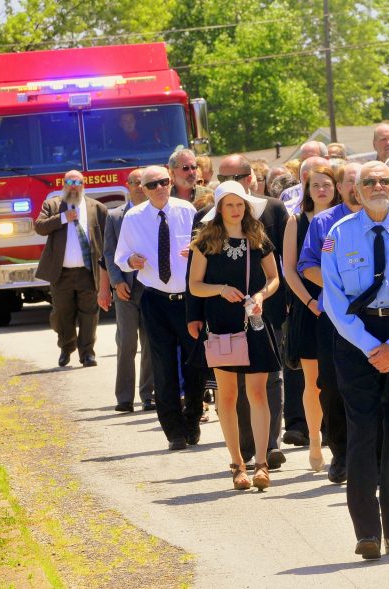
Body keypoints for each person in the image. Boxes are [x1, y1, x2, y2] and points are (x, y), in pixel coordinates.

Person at [321, 160, 389, 560]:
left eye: (383, 180)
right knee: (363, 434)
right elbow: (332, 300)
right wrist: (370, 346)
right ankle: (368, 532)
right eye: (367, 181)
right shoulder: (338, 235)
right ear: (356, 190)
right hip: (357, 339)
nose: (376, 186)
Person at [188, 154, 290, 469]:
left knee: (258, 392)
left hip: (254, 321)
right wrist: (219, 289)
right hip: (221, 323)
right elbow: (194, 285)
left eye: (240, 204)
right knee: (228, 396)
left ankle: (261, 462)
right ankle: (237, 463)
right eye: (229, 205)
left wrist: (261, 295)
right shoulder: (205, 241)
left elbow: (275, 278)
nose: (235, 209)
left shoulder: (258, 238)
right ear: (219, 209)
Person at [115, 165, 206, 451]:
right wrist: (132, 262)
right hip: (155, 299)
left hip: (188, 299)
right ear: (142, 189)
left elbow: (203, 247)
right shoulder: (133, 217)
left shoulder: (187, 210)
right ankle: (173, 431)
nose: (160, 188)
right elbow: (121, 257)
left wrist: (195, 250)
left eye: (164, 182)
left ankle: (192, 419)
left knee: (195, 365)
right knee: (163, 366)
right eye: (152, 185)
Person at [295, 161, 364, 483]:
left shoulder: (386, 220)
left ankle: (372, 453)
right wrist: (343, 287)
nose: (354, 187)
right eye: (348, 181)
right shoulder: (323, 222)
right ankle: (341, 455)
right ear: (340, 188)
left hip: (378, 316)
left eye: (359, 180)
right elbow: (306, 265)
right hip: (334, 316)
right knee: (333, 387)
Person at [284, 164, 343, 472]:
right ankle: (316, 442)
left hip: (342, 309)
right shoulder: (296, 221)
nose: (321, 190)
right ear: (306, 190)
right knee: (314, 383)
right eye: (315, 185)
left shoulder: (345, 219)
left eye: (327, 185)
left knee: (339, 381)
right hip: (310, 309)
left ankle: (339, 443)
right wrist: (308, 301)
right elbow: (290, 270)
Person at [34, 169, 109, 368]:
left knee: (89, 314)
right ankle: (66, 347)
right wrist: (63, 218)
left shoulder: (96, 207)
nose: (74, 186)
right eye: (70, 182)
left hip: (88, 272)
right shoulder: (53, 205)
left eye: (78, 182)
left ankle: (87, 354)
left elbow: (108, 237)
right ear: (64, 184)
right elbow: (39, 227)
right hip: (62, 274)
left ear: (84, 184)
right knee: (62, 314)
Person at [105, 169, 155, 411]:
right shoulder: (114, 216)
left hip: (151, 288)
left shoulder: (154, 215)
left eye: (141, 183)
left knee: (150, 341)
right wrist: (116, 281)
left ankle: (149, 395)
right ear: (128, 186)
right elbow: (108, 252)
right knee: (126, 342)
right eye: (134, 182)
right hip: (125, 289)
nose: (138, 186)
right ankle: (124, 398)